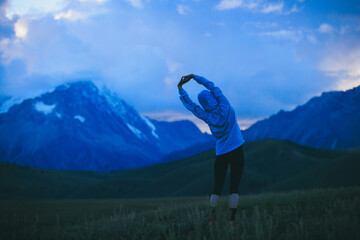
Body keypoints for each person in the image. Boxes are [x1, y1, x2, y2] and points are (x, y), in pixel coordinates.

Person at [177, 74, 245, 224]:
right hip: (237, 151)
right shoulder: (224, 104)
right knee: (234, 186)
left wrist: (180, 88)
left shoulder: (206, 116)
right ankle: (232, 220)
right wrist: (195, 77)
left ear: (203, 104)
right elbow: (212, 87)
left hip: (221, 153)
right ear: (212, 97)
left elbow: (191, 106)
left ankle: (212, 219)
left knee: (217, 187)